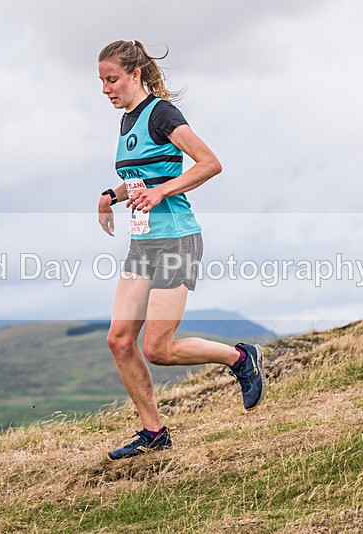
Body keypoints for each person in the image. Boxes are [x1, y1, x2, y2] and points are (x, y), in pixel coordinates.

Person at [96, 40, 266, 461]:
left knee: (158, 348)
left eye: (112, 79)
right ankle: (153, 433)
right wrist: (110, 195)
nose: (105, 89)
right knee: (119, 340)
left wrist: (160, 193)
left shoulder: (162, 114)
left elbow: (209, 163)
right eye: (101, 81)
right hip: (144, 243)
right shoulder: (128, 121)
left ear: (135, 75)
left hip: (176, 239)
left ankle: (240, 357)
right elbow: (144, 176)